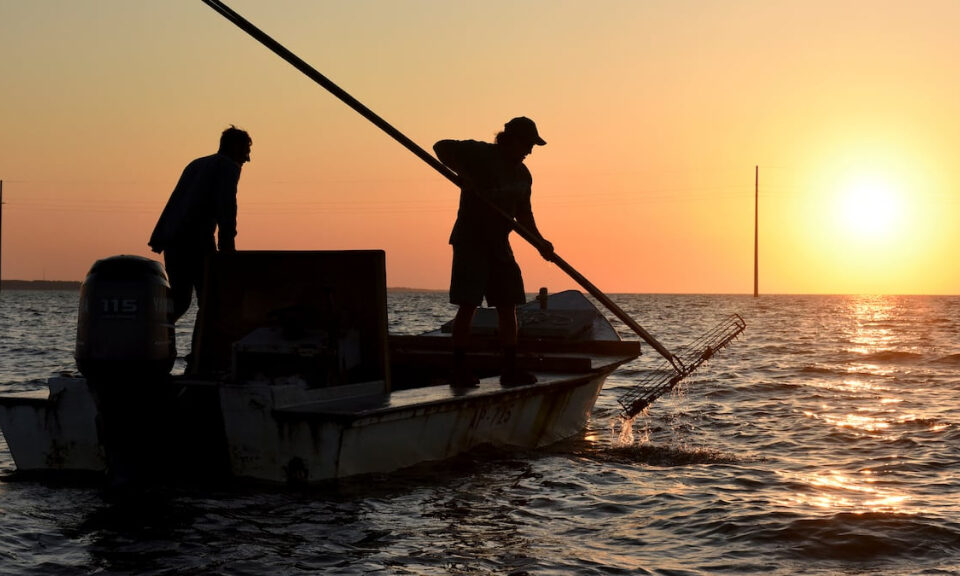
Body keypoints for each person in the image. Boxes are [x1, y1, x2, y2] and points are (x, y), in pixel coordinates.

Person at [433, 117, 554, 388]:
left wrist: (540, 243)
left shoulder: (523, 175)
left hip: (499, 243)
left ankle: (510, 370)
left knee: (508, 304)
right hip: (470, 241)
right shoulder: (480, 153)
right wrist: (463, 174)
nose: (530, 151)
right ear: (511, 140)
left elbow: (524, 215)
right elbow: (440, 146)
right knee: (468, 304)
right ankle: (459, 369)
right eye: (527, 144)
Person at [148, 126, 251, 365]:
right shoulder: (228, 167)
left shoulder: (196, 164)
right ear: (234, 148)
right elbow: (227, 207)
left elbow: (177, 201)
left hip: (172, 240)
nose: (247, 159)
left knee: (180, 300)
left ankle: (152, 343)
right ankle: (200, 358)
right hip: (195, 241)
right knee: (210, 301)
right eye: (246, 151)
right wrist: (227, 249)